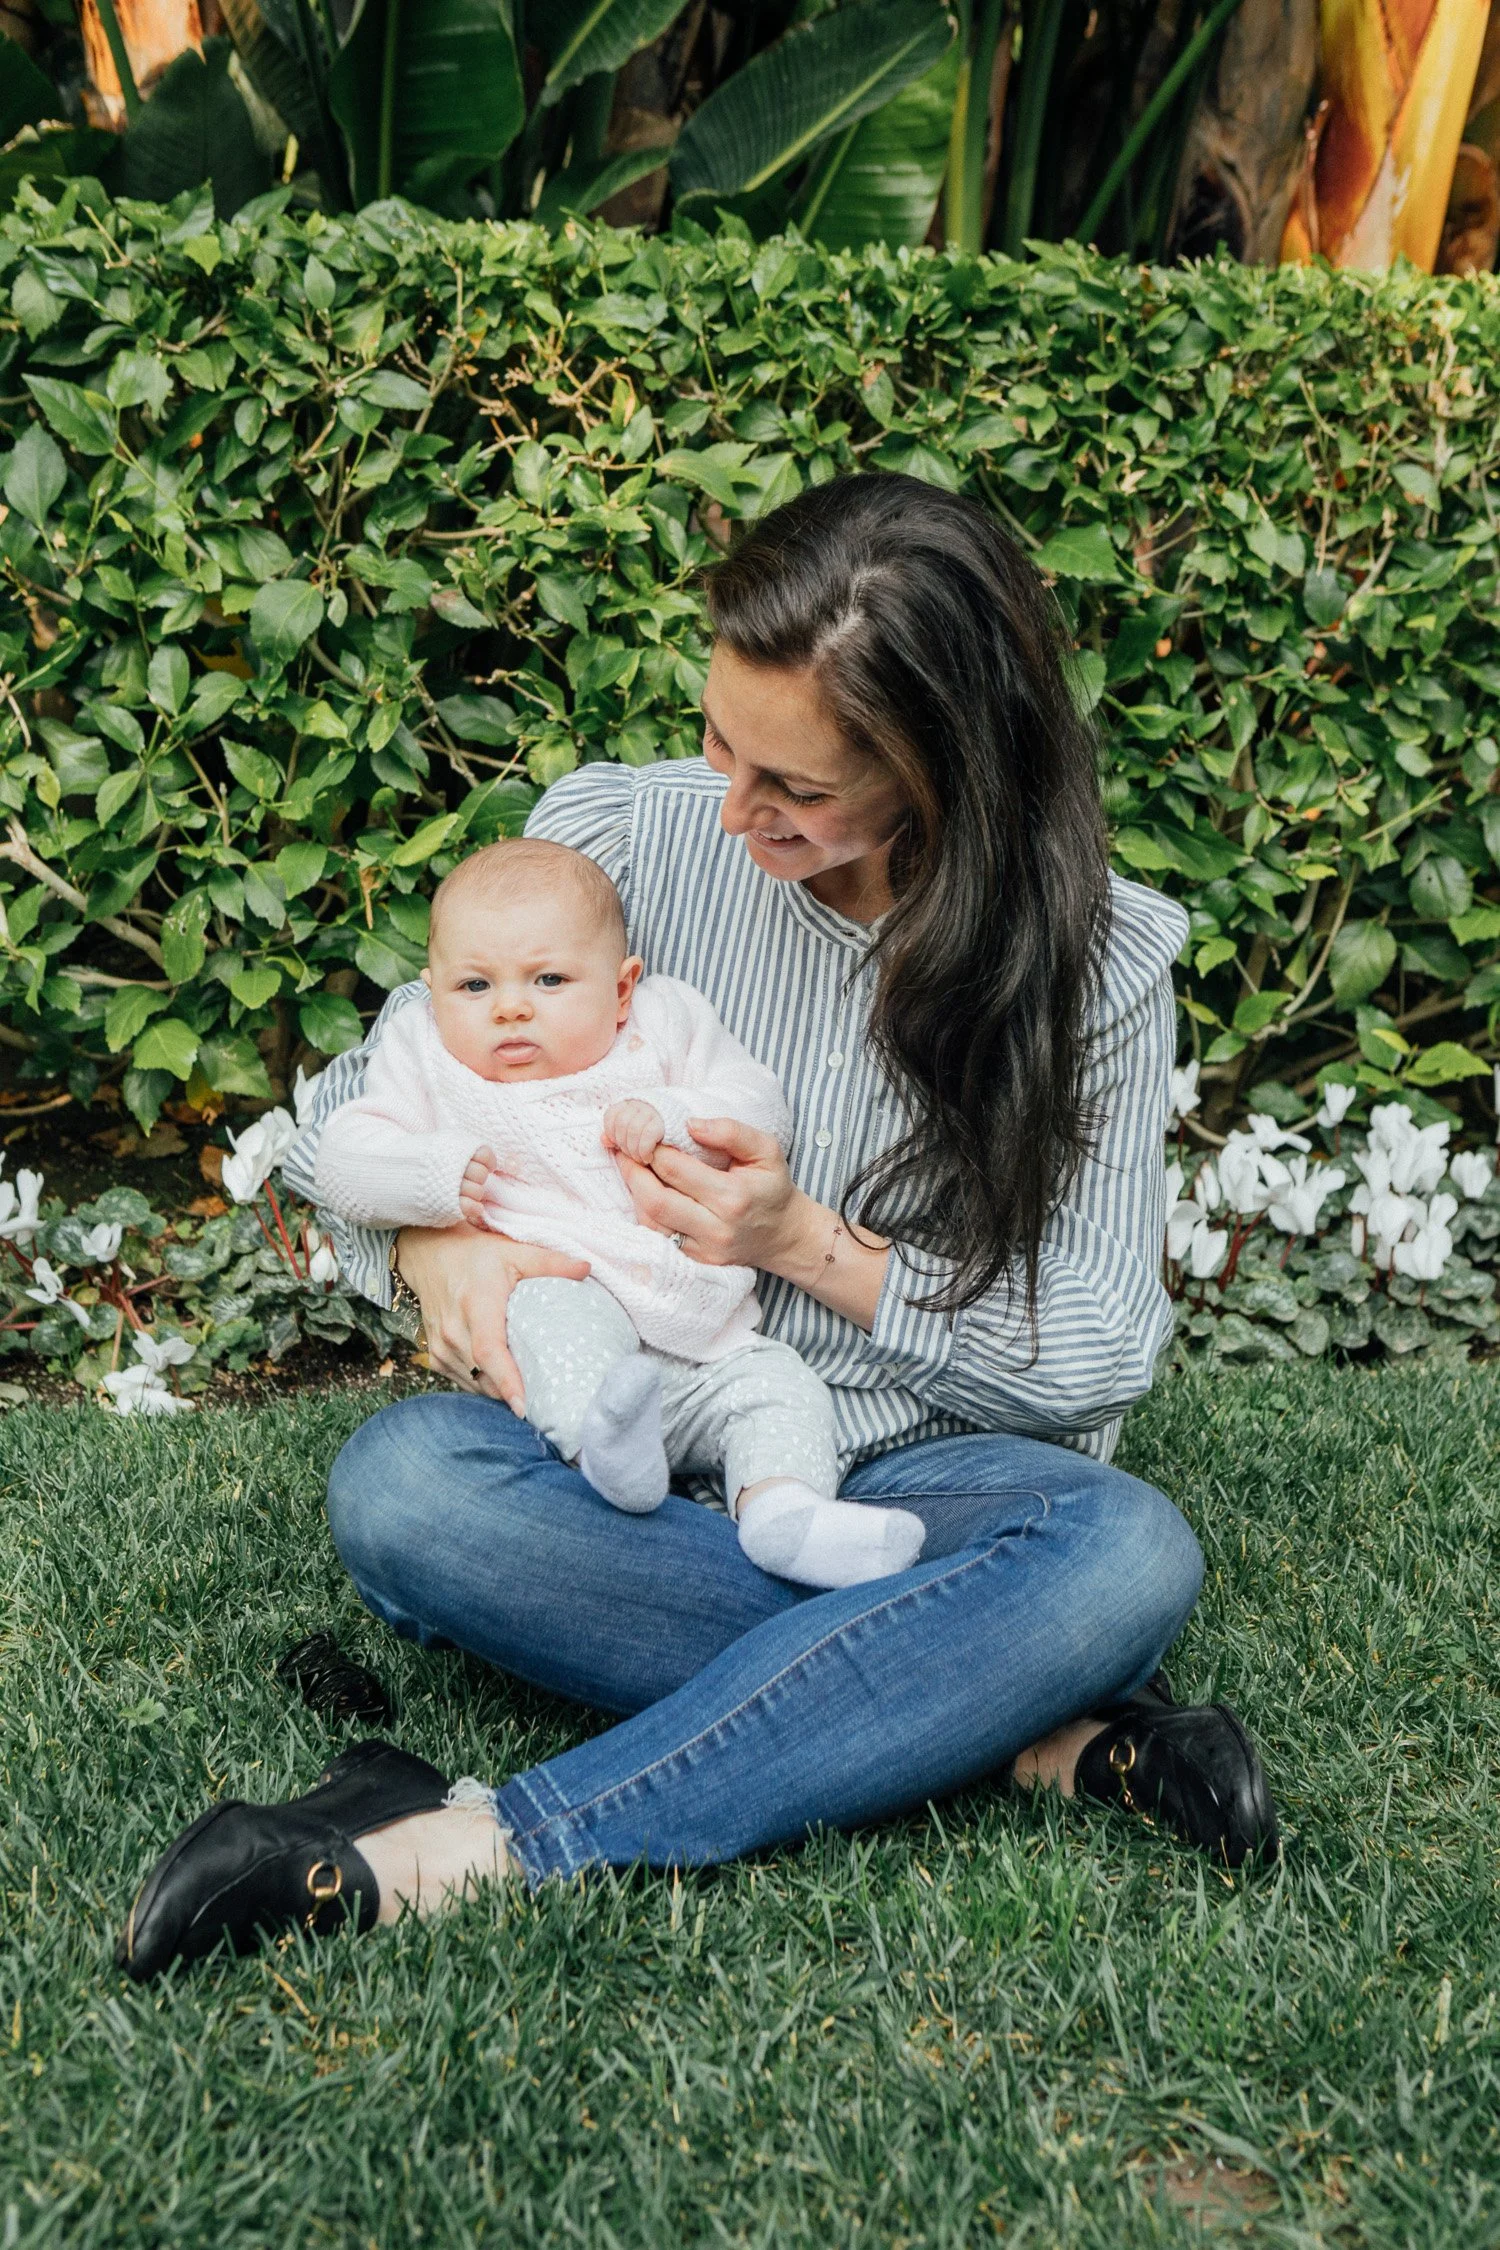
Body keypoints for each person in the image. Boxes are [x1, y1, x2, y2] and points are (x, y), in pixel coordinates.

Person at [116, 472, 1277, 1983]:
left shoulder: (1096, 967)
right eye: (723, 740)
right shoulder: (630, 835)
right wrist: (431, 1247)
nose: (733, 809)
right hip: (634, 1454)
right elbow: (360, 1103)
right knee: (406, 1488)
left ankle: (461, 1846)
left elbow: (1105, 1348)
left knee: (1120, 1549)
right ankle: (1015, 1715)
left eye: (794, 786)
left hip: (920, 1474)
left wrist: (803, 1244)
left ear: (942, 769)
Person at [311, 833, 925, 1586]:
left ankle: (784, 1514)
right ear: (431, 990)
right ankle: (604, 1450)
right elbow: (341, 1160)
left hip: (705, 1338)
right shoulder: (426, 1053)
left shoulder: (665, 1025)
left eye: (549, 980)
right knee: (553, 1314)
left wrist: (674, 1116)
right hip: (559, 1294)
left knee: (778, 1386)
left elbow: (757, 1104)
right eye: (473, 986)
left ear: (623, 988)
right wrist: (431, 1175)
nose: (509, 1008)